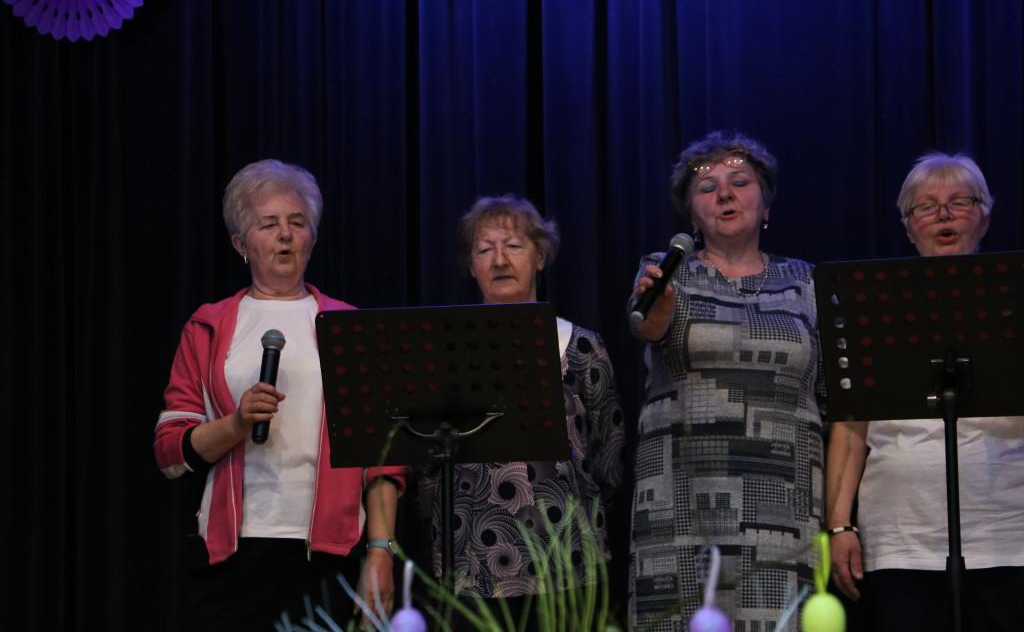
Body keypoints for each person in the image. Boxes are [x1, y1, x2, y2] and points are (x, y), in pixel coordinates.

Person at [153, 159, 406, 631]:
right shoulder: (207, 326)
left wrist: (380, 551)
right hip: (232, 556)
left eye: (297, 222)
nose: (285, 235)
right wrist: (236, 424)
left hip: (331, 556)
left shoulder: (351, 327)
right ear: (240, 244)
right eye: (269, 224)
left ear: (313, 238)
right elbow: (170, 452)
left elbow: (382, 461)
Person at [628, 131, 825, 630]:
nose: (724, 194)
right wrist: (658, 311)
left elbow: (835, 394)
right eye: (708, 187)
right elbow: (645, 325)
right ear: (693, 219)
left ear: (765, 205)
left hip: (784, 504)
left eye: (739, 182)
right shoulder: (665, 272)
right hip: (681, 505)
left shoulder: (808, 282)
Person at [826, 152, 1024, 631]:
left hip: (1007, 532)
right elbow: (850, 427)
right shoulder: (871, 310)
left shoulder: (1015, 303)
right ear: (908, 227)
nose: (943, 215)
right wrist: (839, 525)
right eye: (926, 207)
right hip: (901, 537)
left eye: (960, 202)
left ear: (985, 218)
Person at [416, 194, 626, 628]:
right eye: (484, 249)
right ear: (470, 264)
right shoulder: (442, 351)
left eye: (513, 246)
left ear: (540, 256)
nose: (499, 260)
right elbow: (425, 465)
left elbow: (609, 456)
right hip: (469, 565)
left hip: (568, 561)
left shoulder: (581, 347)